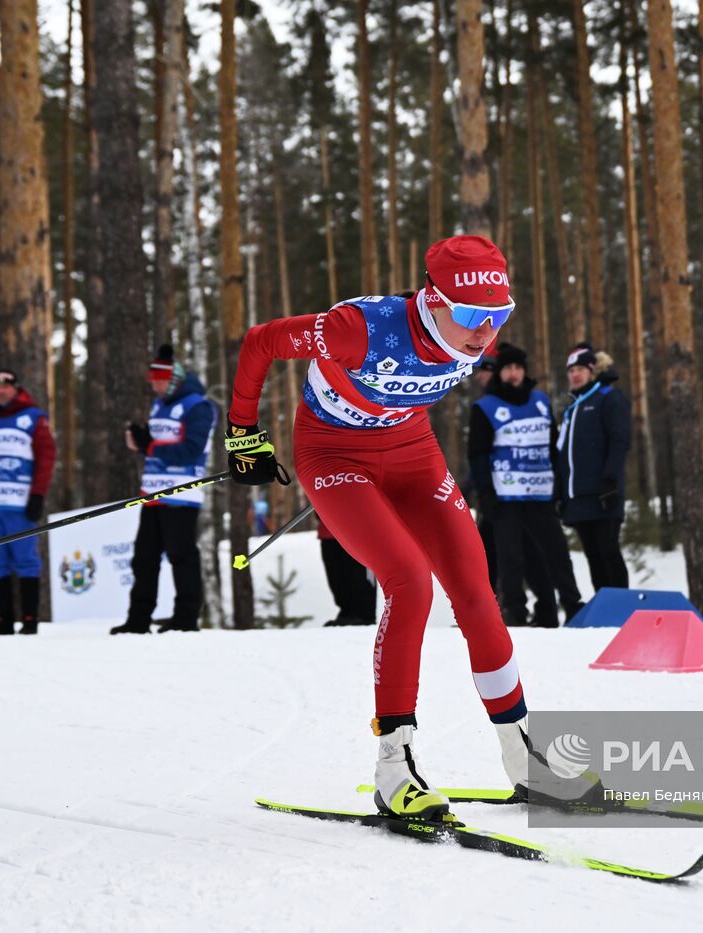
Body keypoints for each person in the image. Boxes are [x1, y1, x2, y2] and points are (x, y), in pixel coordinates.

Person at [226, 235, 597, 819]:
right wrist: (243, 433)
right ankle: (393, 768)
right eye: (474, 316)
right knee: (409, 581)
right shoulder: (357, 328)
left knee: (478, 593)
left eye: (498, 316)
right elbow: (261, 342)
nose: (485, 334)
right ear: (435, 300)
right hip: (334, 454)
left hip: (412, 453)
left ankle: (524, 758)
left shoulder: (478, 335)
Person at [470, 343, 584, 627]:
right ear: (499, 372)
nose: (513, 373)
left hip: (540, 493)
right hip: (505, 497)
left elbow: (553, 447)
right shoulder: (485, 407)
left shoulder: (540, 401)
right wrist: (485, 491)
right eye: (508, 368)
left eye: (518, 368)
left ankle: (568, 606)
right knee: (511, 559)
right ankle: (516, 613)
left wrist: (560, 488)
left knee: (555, 554)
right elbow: (478, 453)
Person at [111, 345, 217, 635]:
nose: (154, 385)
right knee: (143, 558)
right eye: (152, 380)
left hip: (182, 494)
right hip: (153, 493)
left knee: (181, 556)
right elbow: (156, 447)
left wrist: (150, 446)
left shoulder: (199, 406)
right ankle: (138, 619)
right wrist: (140, 441)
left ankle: (186, 618)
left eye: (159, 380)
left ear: (174, 379)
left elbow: (191, 450)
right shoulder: (159, 405)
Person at [0, 369, 57, 635]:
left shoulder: (33, 418)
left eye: (6, 386)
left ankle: (29, 619)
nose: (1, 390)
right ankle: (3, 620)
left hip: (19, 504)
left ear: (16, 388)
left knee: (26, 560)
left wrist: (38, 495)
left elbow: (46, 459)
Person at [554, 344, 631, 592]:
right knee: (592, 554)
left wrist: (610, 479)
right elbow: (563, 453)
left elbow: (620, 440)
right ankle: (603, 604)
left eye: (580, 369)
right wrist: (561, 494)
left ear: (592, 370)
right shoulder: (572, 408)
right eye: (571, 370)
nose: (575, 375)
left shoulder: (608, 398)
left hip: (604, 492)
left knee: (608, 548)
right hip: (578, 496)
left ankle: (621, 604)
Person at [317, 515, 377, 626]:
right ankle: (347, 613)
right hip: (329, 528)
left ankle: (364, 615)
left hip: (359, 527)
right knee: (336, 577)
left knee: (359, 574)